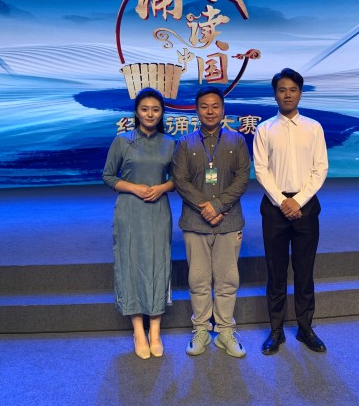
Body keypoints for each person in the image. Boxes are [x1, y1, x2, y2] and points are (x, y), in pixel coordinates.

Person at [253, 68, 329, 355]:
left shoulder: (314, 127)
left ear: (300, 93)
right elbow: (260, 170)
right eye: (282, 90)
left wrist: (298, 200)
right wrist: (282, 201)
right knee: (276, 271)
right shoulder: (264, 129)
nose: (287, 95)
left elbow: (320, 168)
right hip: (274, 209)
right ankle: (276, 330)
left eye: (293, 90)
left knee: (304, 270)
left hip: (306, 207)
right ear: (275, 94)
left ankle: (305, 327)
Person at [172, 86, 250, 358]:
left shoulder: (237, 140)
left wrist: (217, 206)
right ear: (196, 110)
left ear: (223, 110)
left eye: (215, 106)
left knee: (228, 279)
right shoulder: (184, 143)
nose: (210, 111)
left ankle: (225, 331)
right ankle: (201, 330)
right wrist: (205, 207)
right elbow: (180, 180)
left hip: (229, 221)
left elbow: (242, 178)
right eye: (204, 106)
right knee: (198, 279)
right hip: (195, 222)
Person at [102, 87, 175, 360]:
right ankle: (138, 331)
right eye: (145, 109)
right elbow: (108, 176)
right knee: (131, 264)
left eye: (155, 110)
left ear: (162, 113)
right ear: (136, 112)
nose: (150, 114)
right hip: (130, 211)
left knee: (158, 263)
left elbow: (177, 179)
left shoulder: (170, 143)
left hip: (158, 210)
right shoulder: (122, 141)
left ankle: (155, 331)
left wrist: (162, 188)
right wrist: (133, 187)